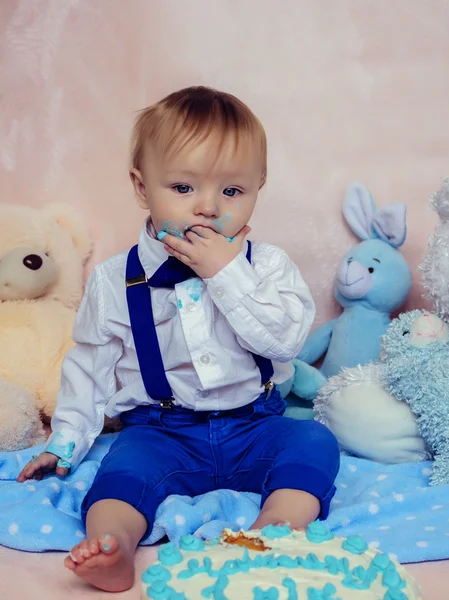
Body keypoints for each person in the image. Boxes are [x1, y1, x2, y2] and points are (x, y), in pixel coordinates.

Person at [17, 86, 340, 592]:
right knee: (120, 475)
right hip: (161, 433)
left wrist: (227, 274)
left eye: (232, 192)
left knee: (314, 442)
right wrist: (65, 442)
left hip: (254, 426)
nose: (208, 208)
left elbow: (285, 341)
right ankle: (114, 547)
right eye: (184, 188)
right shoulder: (113, 280)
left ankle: (273, 532)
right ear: (143, 187)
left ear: (259, 187)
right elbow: (89, 369)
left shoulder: (268, 267)